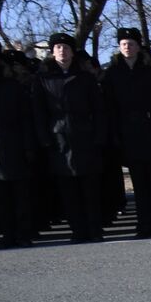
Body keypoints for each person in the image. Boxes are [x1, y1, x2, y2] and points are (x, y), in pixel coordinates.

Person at [32, 31, 106, 242]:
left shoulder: (85, 78)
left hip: (85, 137)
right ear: (52, 52)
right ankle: (78, 230)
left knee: (90, 188)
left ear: (73, 53)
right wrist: (45, 140)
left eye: (66, 48)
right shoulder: (43, 79)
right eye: (58, 48)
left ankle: (94, 229)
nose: (62, 51)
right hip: (59, 140)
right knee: (68, 190)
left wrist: (99, 136)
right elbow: (38, 112)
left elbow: (98, 110)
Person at [101, 27, 151, 238]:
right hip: (128, 133)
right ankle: (143, 224)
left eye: (131, 43)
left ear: (138, 46)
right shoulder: (112, 73)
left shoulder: (150, 71)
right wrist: (114, 134)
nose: (127, 47)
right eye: (123, 43)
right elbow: (108, 107)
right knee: (139, 183)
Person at [0, 37, 36, 248]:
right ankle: (7, 233)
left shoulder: (12, 85)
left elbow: (25, 117)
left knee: (20, 193)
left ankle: (23, 233)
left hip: (13, 142)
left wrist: (28, 146)